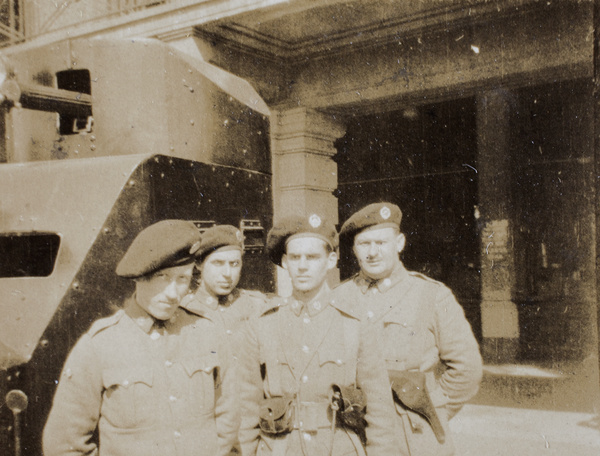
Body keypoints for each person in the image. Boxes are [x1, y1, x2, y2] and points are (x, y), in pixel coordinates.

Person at [43, 220, 238, 456]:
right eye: (162, 278)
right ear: (139, 278)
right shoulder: (99, 345)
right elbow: (64, 446)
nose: (173, 293)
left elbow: (228, 424)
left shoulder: (207, 332)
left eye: (182, 279)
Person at [238, 214, 399, 456]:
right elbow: (245, 409)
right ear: (285, 262)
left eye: (312, 257)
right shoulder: (263, 323)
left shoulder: (355, 323)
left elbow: (380, 413)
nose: (302, 266)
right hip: (279, 449)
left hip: (338, 448)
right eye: (295, 257)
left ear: (331, 260)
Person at [334, 202, 483, 456]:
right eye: (364, 244)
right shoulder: (338, 298)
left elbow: (467, 369)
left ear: (400, 243)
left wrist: (430, 408)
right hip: (354, 435)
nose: (372, 252)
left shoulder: (432, 295)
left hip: (414, 437)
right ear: (354, 249)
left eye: (381, 243)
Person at [181, 224, 266, 354]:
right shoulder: (184, 311)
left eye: (234, 264)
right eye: (218, 263)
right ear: (199, 264)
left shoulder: (257, 306)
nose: (227, 273)